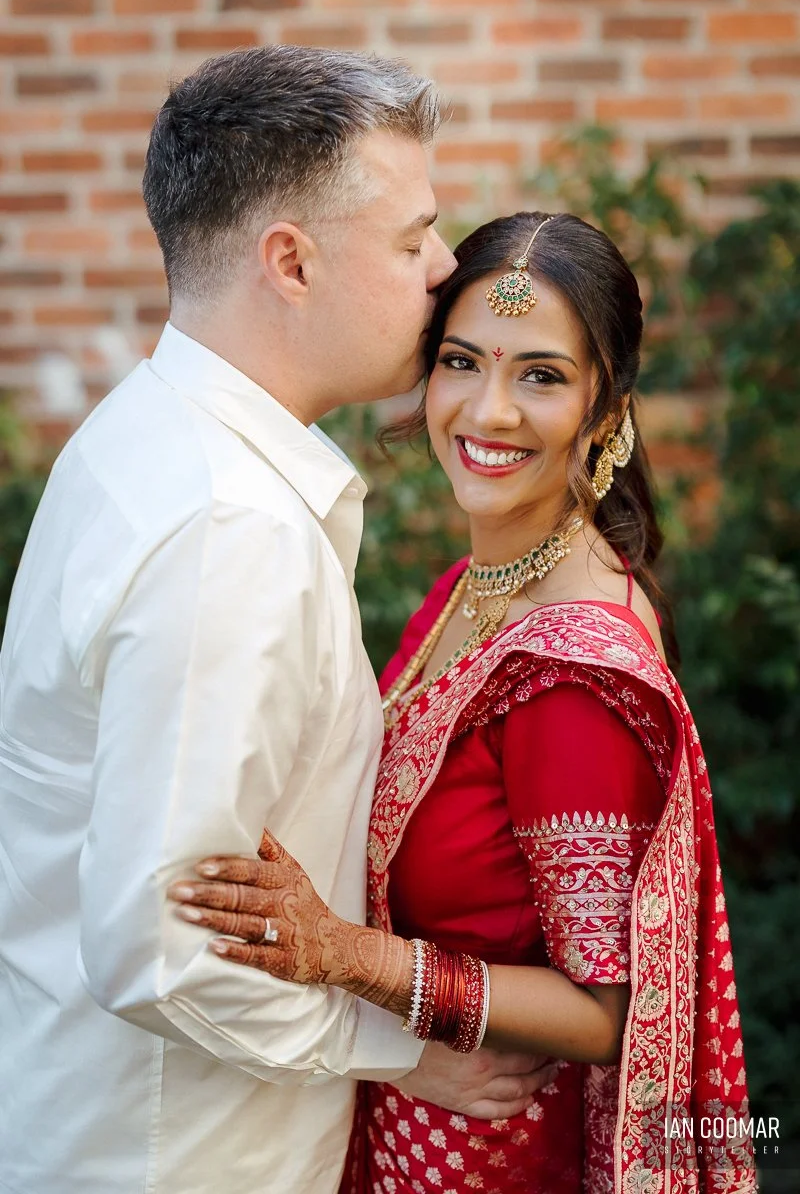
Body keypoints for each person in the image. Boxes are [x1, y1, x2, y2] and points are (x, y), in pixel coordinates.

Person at [0, 49, 553, 1194]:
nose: (445, 269)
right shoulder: (226, 529)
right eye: (410, 242)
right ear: (290, 263)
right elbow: (159, 950)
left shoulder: (139, 432)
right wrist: (405, 1050)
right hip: (173, 1161)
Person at [170, 211, 758, 1192]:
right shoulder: (473, 587)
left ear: (604, 410)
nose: (487, 412)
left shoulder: (573, 675)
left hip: (491, 1155)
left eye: (539, 374)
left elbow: (607, 1009)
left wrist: (344, 956)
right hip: (406, 1112)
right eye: (460, 361)